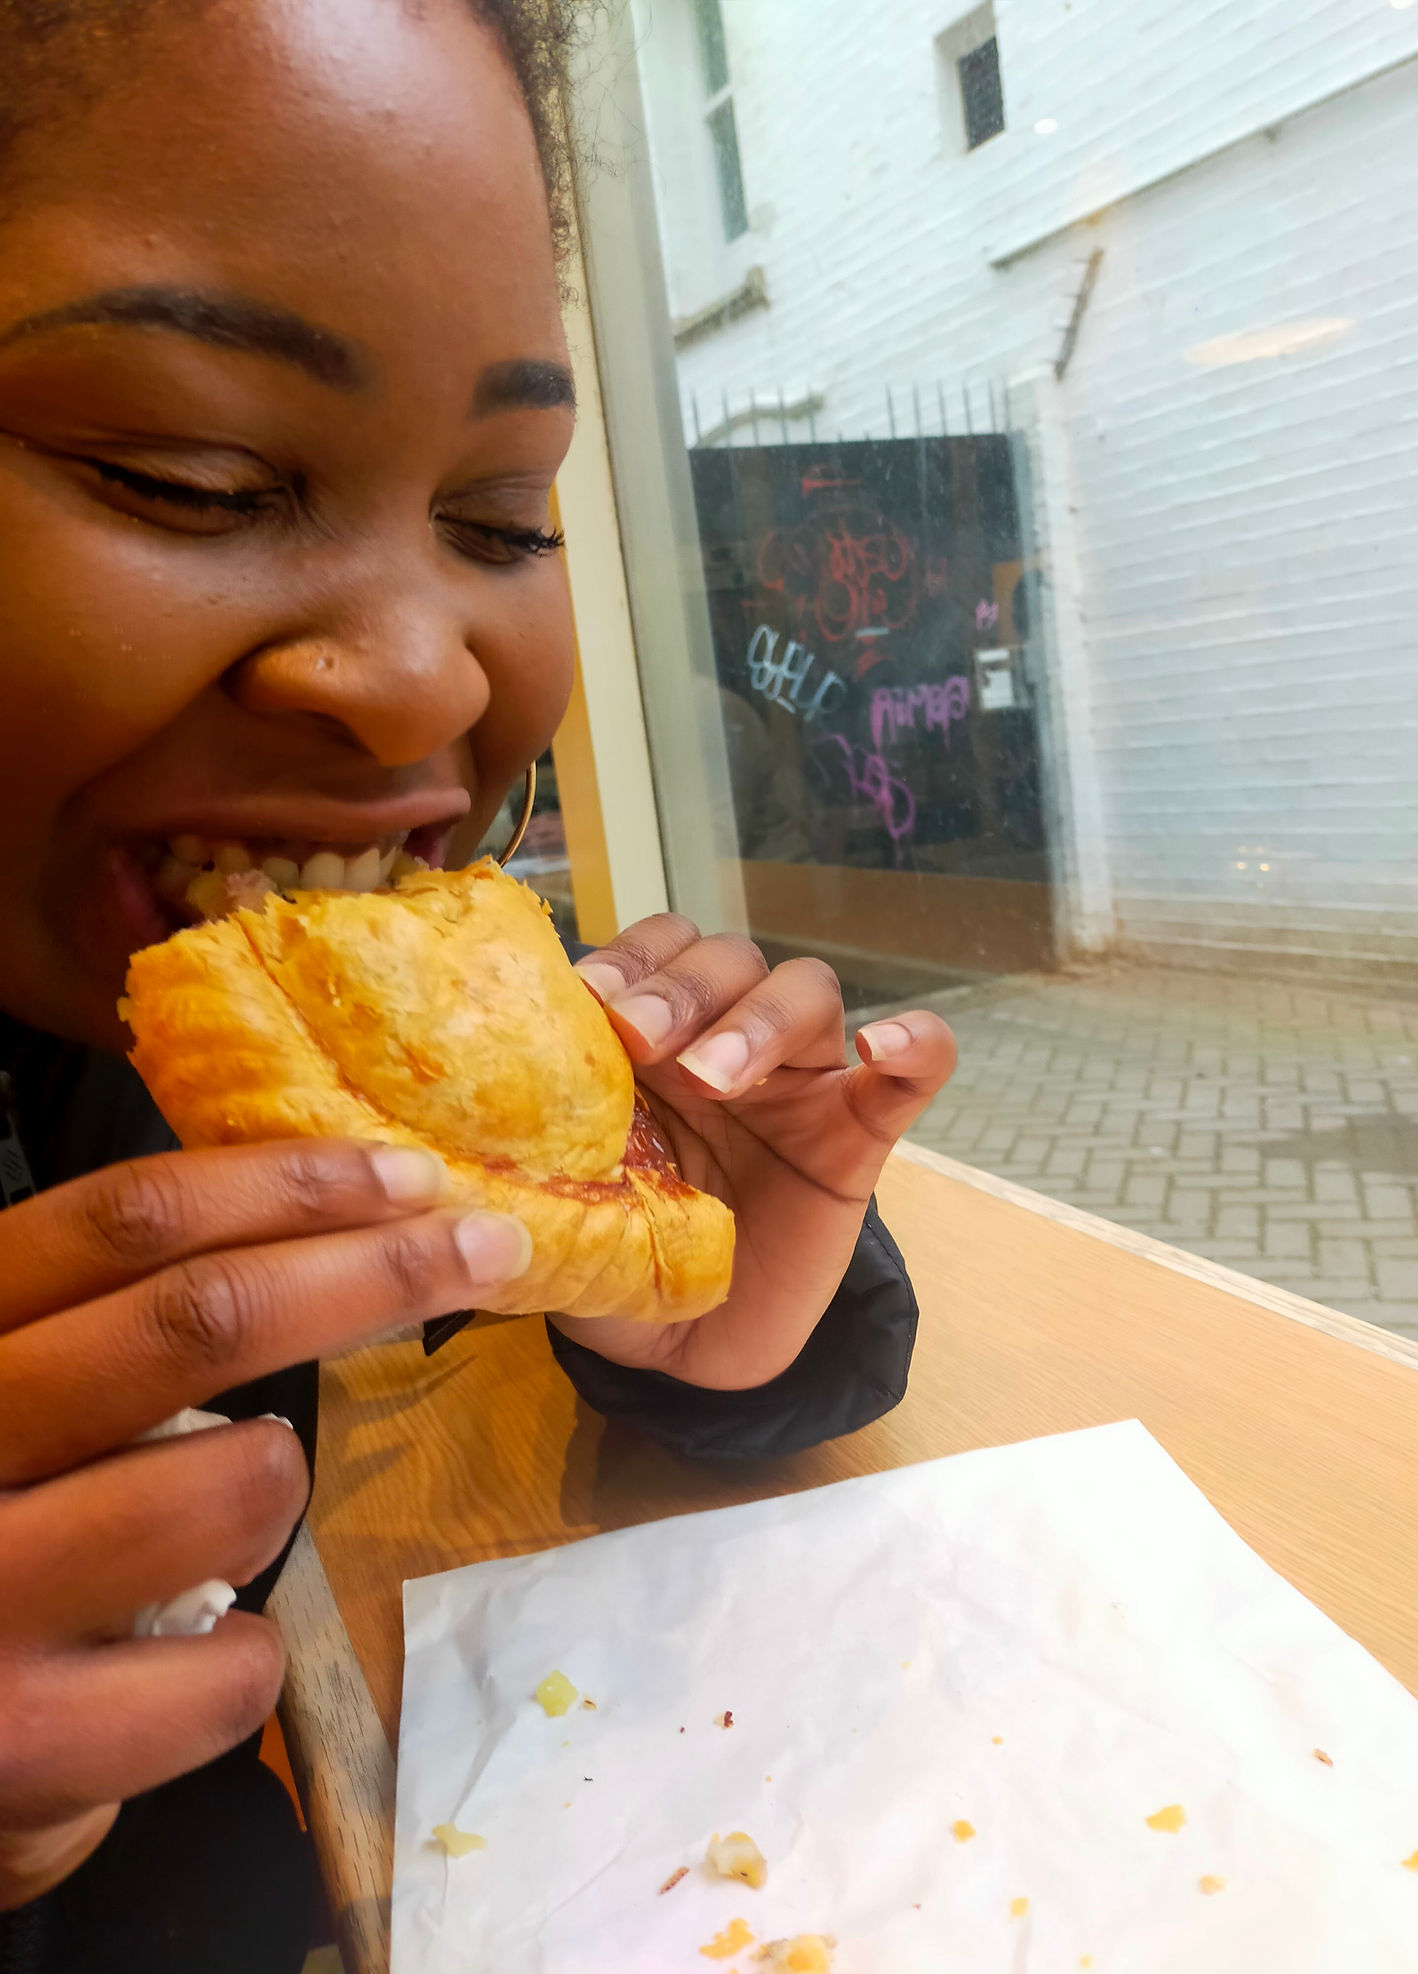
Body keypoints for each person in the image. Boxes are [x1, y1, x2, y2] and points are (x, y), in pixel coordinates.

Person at [0, 2, 957, 1967]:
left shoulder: (186, 1012)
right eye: (188, 473)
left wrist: (699, 1324)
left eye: (503, 516)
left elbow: (430, 1365)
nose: (435, 674)